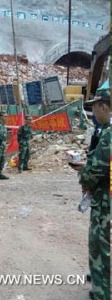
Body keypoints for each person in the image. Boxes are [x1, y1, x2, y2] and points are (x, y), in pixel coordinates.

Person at [78, 88, 110, 300]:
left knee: (99, 242)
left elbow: (98, 167)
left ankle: (102, 293)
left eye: (94, 108)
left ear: (104, 106)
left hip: (105, 196)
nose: (93, 113)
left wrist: (83, 176)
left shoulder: (109, 133)